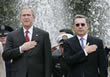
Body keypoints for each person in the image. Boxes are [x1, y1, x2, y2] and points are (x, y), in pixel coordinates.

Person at [2, 6, 52, 77]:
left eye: (28, 15)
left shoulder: (44, 35)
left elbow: (48, 60)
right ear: (20, 18)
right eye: (24, 15)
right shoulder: (12, 35)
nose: (26, 17)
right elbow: (5, 55)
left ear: (33, 17)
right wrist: (21, 49)